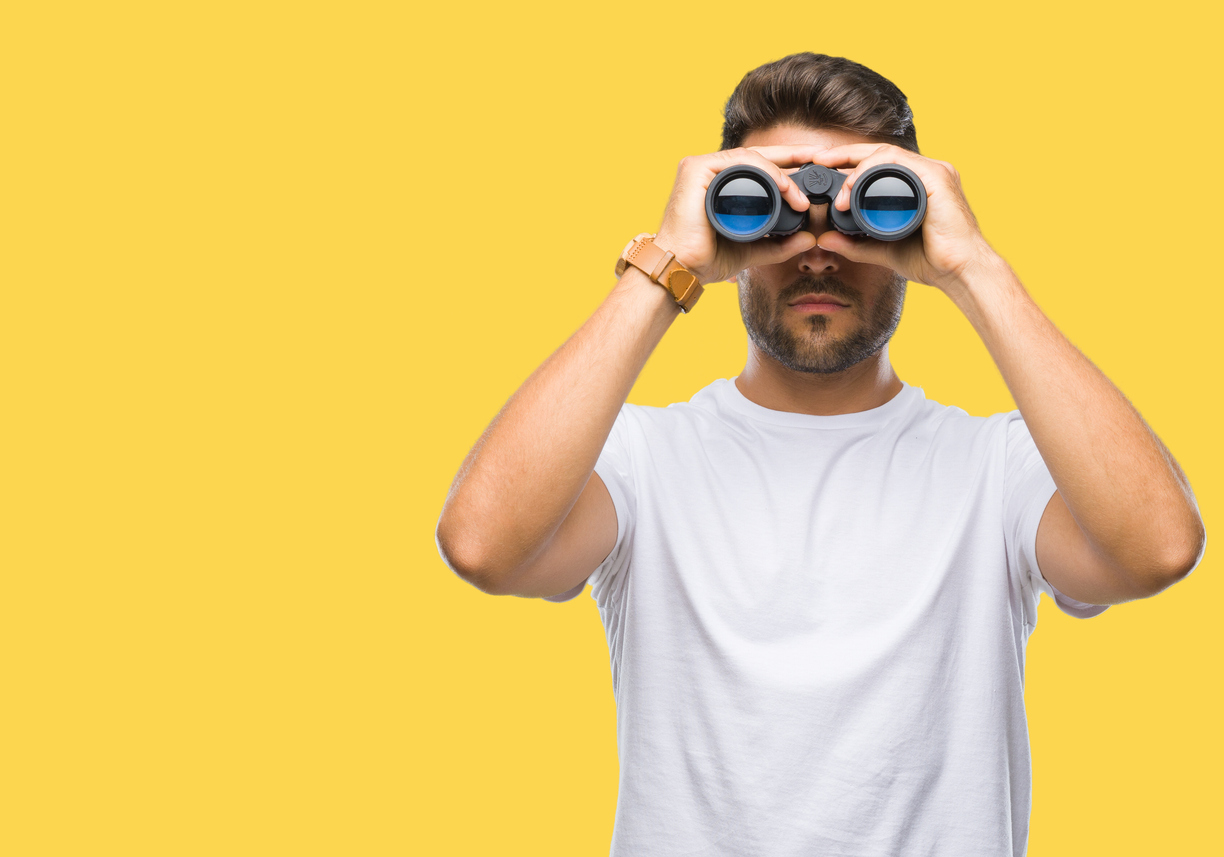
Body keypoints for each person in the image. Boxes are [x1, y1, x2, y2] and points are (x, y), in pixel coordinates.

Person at [434, 53, 1206, 856]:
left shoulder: (996, 467)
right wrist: (667, 262)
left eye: (858, 208)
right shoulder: (640, 458)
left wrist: (973, 266)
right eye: (773, 206)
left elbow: (1156, 549)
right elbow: (484, 546)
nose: (815, 251)